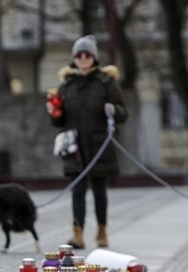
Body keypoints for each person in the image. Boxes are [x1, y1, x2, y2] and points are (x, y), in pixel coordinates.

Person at [47, 35, 128, 249]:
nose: (83, 58)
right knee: (78, 191)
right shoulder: (66, 86)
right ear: (74, 58)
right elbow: (59, 122)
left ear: (94, 57)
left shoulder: (106, 82)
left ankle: (102, 232)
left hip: (100, 145)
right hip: (74, 146)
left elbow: (123, 112)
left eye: (87, 54)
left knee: (100, 191)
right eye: (79, 55)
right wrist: (55, 112)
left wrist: (113, 109)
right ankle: (78, 234)